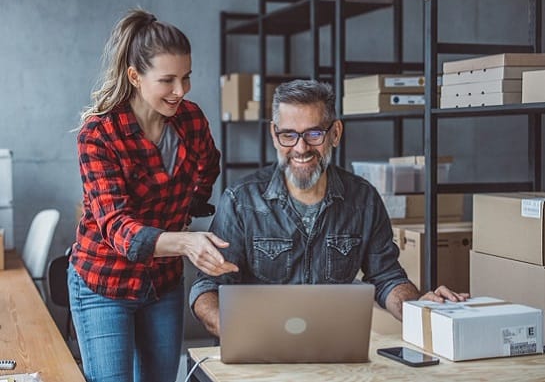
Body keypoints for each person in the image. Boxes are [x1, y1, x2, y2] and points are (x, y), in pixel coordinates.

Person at [189, 79, 468, 337]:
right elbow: (208, 287)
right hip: (256, 350)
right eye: (288, 135)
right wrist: (235, 330)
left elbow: (386, 277)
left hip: (330, 349)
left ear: (335, 133)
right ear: (274, 135)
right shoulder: (241, 201)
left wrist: (420, 308)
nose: (300, 148)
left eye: (313, 133)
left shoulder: (363, 199)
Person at [69, 8, 238, 382]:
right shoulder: (98, 135)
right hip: (104, 283)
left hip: (161, 282)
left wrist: (189, 206)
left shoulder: (192, 120)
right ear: (135, 76)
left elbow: (209, 165)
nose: (181, 91)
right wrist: (186, 242)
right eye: (167, 80)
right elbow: (118, 230)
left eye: (186, 77)